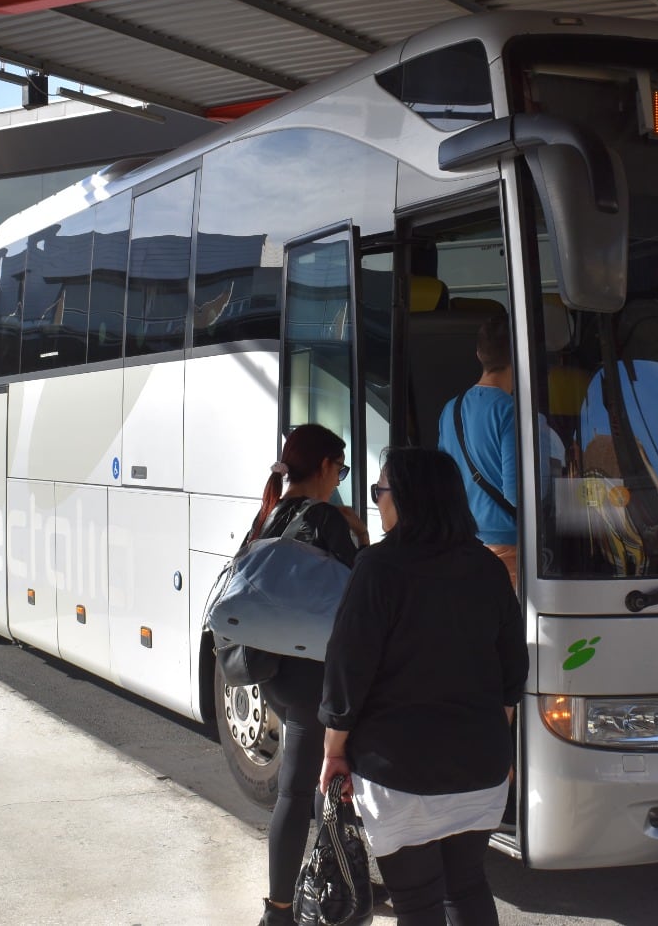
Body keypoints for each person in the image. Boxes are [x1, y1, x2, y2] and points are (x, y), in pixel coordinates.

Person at [319, 447, 528, 926]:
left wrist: (333, 751)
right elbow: (513, 669)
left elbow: (347, 672)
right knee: (468, 886)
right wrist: (495, 735)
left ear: (407, 497)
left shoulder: (378, 567)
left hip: (400, 774)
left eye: (380, 491)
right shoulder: (488, 567)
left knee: (416, 901)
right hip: (480, 768)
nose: (376, 501)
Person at [248, 423, 370, 926]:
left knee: (307, 787)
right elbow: (358, 591)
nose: (339, 478)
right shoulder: (325, 518)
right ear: (323, 467)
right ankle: (286, 906)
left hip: (276, 672)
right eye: (339, 469)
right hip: (316, 673)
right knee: (304, 790)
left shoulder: (269, 514)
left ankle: (300, 894)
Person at [437, 313, 519, 586]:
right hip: (508, 551)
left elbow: (444, 481)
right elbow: (517, 494)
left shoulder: (451, 408)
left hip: (465, 544)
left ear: (478, 354)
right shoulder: (510, 412)